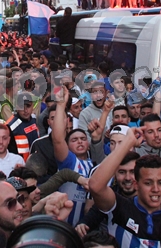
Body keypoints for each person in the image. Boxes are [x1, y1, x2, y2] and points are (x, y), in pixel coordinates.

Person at [89, 126, 161, 247]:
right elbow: (96, 186)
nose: (155, 189)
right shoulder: (122, 208)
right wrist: (127, 142)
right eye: (148, 183)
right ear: (136, 184)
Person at [52, 87, 93, 226]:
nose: (80, 141)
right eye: (74, 140)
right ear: (67, 146)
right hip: (64, 226)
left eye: (83, 138)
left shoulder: (95, 165)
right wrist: (60, 105)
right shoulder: (69, 161)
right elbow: (58, 138)